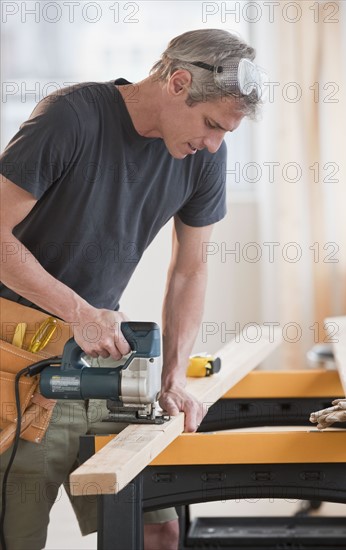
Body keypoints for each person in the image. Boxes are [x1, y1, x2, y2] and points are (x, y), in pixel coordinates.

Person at [0, 28, 262, 550]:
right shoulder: (71, 117)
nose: (213, 143)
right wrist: (78, 311)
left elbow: (191, 270)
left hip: (99, 355)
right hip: (17, 356)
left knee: (155, 527)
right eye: (211, 124)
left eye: (225, 133)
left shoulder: (205, 154)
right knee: (18, 535)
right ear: (177, 82)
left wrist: (172, 377)